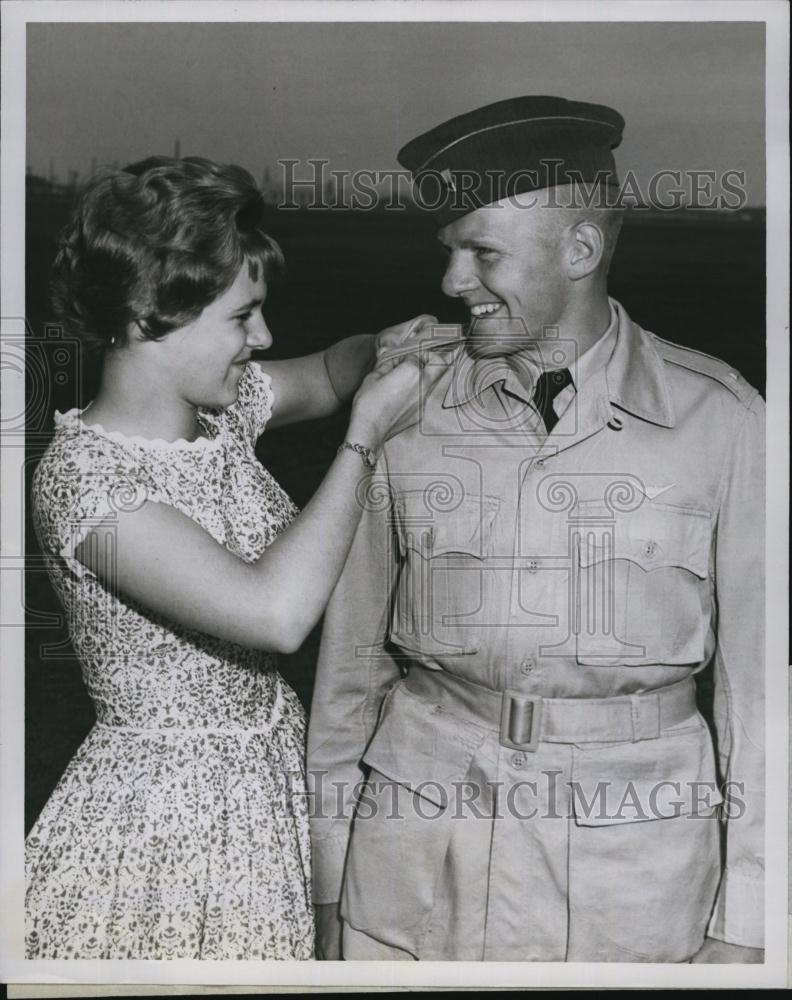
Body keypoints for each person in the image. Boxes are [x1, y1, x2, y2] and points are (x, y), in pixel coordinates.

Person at [308, 97, 765, 963]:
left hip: (635, 892)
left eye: (483, 252)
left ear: (580, 250)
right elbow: (349, 669)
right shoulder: (406, 407)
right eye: (450, 252)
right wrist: (330, 879)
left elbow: (761, 703)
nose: (451, 283)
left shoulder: (725, 423)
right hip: (414, 872)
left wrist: (746, 923)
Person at [26, 155, 438, 960]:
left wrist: (380, 350)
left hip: (265, 786)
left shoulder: (218, 413)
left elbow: (325, 370)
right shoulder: (85, 485)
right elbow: (274, 614)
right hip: (165, 821)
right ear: (149, 315)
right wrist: (365, 435)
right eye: (241, 316)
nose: (264, 338)